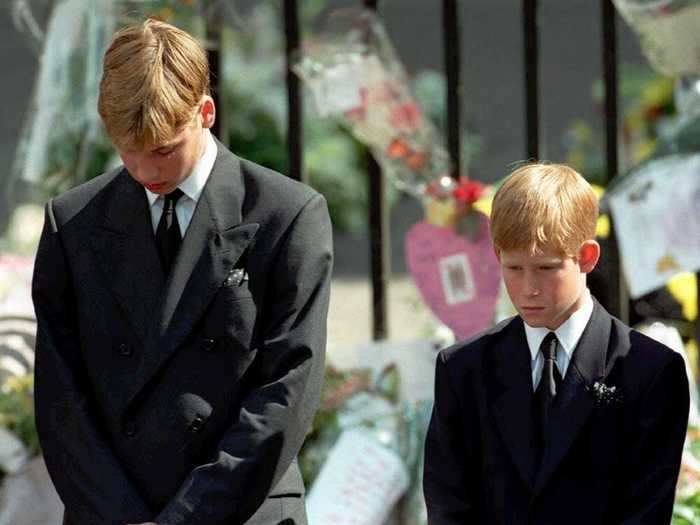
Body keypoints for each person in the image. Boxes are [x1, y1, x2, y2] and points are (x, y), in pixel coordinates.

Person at [31, 18, 332, 525]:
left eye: (164, 149)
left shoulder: (288, 215)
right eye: (129, 152)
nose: (148, 171)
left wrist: (187, 518)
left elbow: (287, 389)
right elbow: (60, 399)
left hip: (241, 508)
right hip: (110, 511)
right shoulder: (73, 223)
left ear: (205, 112)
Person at [423, 163, 690, 524]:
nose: (529, 287)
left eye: (546, 268)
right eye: (514, 268)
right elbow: (449, 507)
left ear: (587, 258)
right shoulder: (463, 370)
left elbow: (645, 512)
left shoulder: (649, 371)